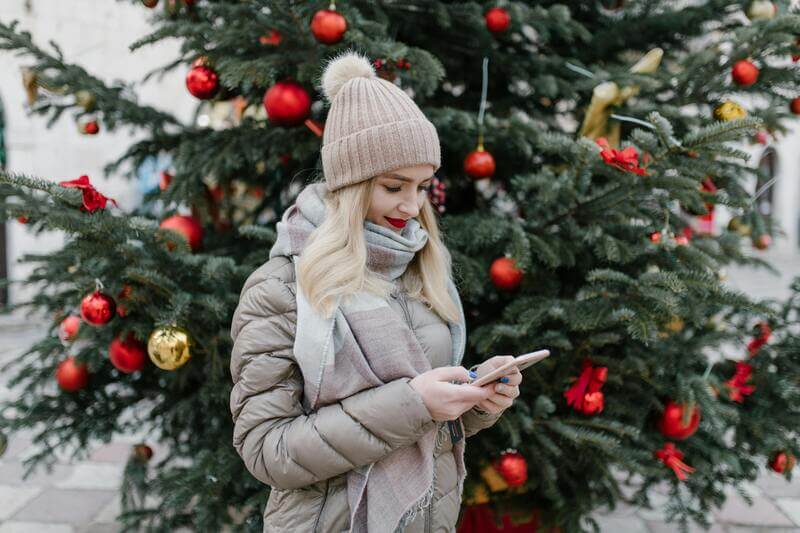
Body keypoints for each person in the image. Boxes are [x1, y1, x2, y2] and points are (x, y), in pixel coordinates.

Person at [229, 50, 523, 533]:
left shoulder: (420, 268)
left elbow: (425, 423)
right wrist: (414, 404)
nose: (411, 205)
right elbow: (268, 451)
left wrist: (472, 400)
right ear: (351, 184)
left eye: (423, 186)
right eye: (393, 186)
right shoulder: (282, 288)